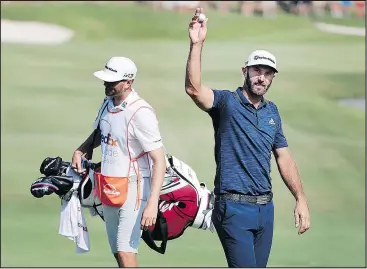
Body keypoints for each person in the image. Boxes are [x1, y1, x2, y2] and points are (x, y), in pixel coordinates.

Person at [185, 8, 311, 268]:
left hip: (265, 210)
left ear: (273, 77)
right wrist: (197, 44)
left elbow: (283, 156)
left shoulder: (272, 112)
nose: (261, 77)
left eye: (267, 72)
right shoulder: (227, 103)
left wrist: (300, 199)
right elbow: (194, 89)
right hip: (233, 208)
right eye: (256, 70)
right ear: (245, 70)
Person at [71, 56, 166, 267]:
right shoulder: (107, 103)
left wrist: (152, 204)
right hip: (109, 185)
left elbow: (159, 160)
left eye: (112, 81)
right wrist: (81, 149)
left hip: (135, 187)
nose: (106, 84)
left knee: (125, 251)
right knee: (117, 252)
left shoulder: (141, 112)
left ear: (128, 82)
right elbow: (100, 133)